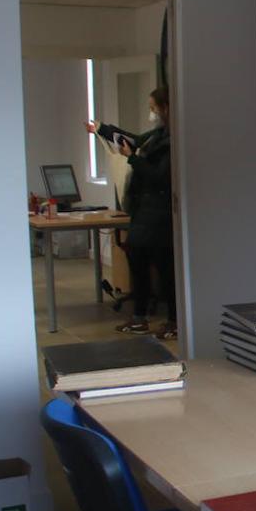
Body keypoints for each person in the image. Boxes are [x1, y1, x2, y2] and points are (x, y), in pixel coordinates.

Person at [86, 87, 176, 339]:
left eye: (153, 108)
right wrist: (102, 130)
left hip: (160, 217)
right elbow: (134, 139)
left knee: (166, 269)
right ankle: (139, 317)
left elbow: (160, 177)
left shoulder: (175, 140)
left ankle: (174, 320)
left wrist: (133, 158)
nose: (151, 113)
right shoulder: (157, 135)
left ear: (166, 107)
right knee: (137, 262)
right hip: (143, 214)